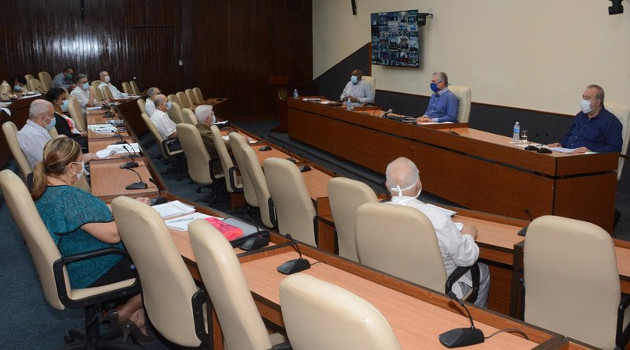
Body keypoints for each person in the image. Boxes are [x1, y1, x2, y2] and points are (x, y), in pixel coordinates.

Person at [31, 137, 152, 345]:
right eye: (81, 163)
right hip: (93, 268)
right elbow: (114, 234)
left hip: (73, 263)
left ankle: (135, 317)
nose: (82, 168)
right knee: (162, 267)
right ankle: (126, 311)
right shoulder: (69, 197)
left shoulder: (46, 191)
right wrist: (141, 211)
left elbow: (89, 217)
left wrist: (123, 208)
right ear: (70, 168)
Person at [385, 157, 490, 308]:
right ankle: (477, 323)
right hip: (438, 291)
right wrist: (468, 235)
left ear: (388, 185)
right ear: (419, 182)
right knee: (483, 271)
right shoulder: (438, 220)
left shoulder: (373, 212)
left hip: (396, 281)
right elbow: (467, 259)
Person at [548, 84, 623, 153]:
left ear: (597, 102)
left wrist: (590, 151)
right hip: (568, 154)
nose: (584, 101)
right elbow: (570, 134)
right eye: (583, 97)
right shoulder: (580, 115)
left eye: (587, 98)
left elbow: (615, 147)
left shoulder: (610, 121)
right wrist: (560, 144)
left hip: (589, 160)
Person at [17, 100, 55, 168]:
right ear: (43, 117)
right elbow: (51, 162)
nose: (54, 118)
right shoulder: (32, 135)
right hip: (48, 173)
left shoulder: (37, 130)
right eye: (52, 115)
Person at [194, 105, 222, 173]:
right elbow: (226, 146)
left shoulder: (197, 128)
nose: (214, 117)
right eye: (212, 114)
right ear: (208, 119)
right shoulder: (206, 134)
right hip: (217, 165)